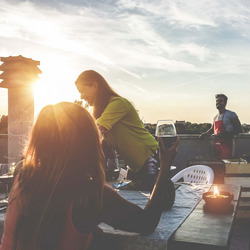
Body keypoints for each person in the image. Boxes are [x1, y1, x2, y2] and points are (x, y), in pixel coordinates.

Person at [0, 102, 178, 250]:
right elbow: (146, 224)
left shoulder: (23, 175)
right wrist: (164, 168)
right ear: (88, 143)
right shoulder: (90, 196)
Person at [75, 70, 159, 191]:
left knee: (151, 198)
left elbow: (94, 130)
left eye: (82, 91)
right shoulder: (104, 112)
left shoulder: (118, 103)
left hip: (150, 158)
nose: (81, 96)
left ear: (94, 85)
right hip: (135, 166)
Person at [200, 94, 242, 160]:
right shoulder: (215, 117)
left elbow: (239, 129)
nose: (218, 102)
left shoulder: (231, 114)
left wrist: (227, 134)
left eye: (221, 101)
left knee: (227, 165)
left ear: (225, 103)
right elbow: (212, 130)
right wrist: (205, 134)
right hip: (217, 145)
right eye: (217, 101)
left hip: (228, 145)